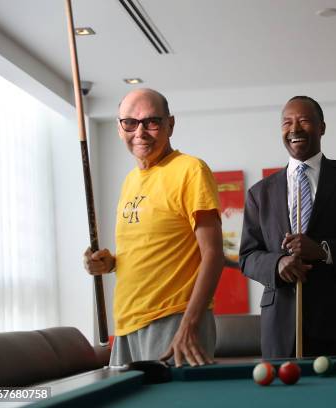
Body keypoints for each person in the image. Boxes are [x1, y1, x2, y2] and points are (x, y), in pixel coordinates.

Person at [83, 88, 224, 367]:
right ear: (119, 128)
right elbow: (148, 248)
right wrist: (108, 263)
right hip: (126, 323)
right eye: (130, 123)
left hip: (174, 321)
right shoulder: (130, 182)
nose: (140, 132)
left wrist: (189, 324)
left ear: (170, 124)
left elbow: (213, 254)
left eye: (152, 122)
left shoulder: (190, 170)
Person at [239, 96, 336, 358]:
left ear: (322, 127)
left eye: (304, 120)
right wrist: (276, 264)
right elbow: (248, 257)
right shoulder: (259, 193)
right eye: (287, 122)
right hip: (281, 329)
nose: (294, 129)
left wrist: (323, 250)